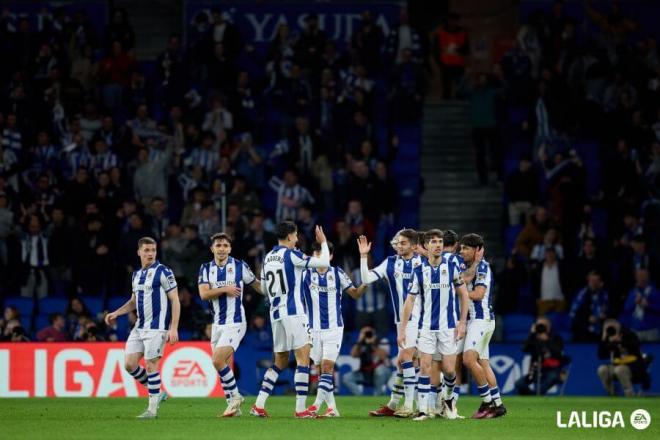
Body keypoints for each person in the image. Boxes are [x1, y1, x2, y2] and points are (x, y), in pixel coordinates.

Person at [250, 222, 329, 418]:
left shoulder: (268, 258)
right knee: (303, 359)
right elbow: (324, 263)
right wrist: (324, 243)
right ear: (289, 237)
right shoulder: (292, 255)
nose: (297, 238)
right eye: (295, 235)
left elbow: (265, 290)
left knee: (280, 361)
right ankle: (301, 409)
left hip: (275, 314)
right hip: (294, 313)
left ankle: (258, 404)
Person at [104, 237, 180, 419]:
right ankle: (158, 392)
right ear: (139, 252)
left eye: (153, 250)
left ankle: (152, 410)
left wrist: (174, 327)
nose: (150, 254)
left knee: (151, 364)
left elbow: (175, 299)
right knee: (129, 364)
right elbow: (133, 302)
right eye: (146, 250)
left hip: (157, 327)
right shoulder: (136, 275)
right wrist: (116, 313)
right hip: (139, 327)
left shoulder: (163, 271)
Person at [398, 229, 468, 421]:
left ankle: (448, 401)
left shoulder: (452, 266)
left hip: (448, 327)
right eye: (433, 242)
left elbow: (464, 295)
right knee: (425, 367)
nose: (437, 245)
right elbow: (409, 302)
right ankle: (422, 411)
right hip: (426, 327)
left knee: (450, 370)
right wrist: (403, 330)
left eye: (439, 241)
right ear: (426, 246)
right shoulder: (419, 271)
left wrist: (462, 323)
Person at [357, 229, 424, 417]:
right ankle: (396, 404)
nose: (399, 246)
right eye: (398, 242)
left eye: (403, 243)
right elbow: (366, 279)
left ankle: (410, 405)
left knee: (407, 359)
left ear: (413, 245)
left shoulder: (422, 262)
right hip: (400, 319)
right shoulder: (391, 263)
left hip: (420, 318)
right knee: (405, 362)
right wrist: (363, 257)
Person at [198, 232, 262, 417]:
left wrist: (273, 293)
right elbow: (203, 294)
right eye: (218, 245)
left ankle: (235, 397)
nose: (221, 249)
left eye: (225, 246)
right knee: (222, 364)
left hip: (235, 322)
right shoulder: (205, 268)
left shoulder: (239, 266)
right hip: (217, 323)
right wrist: (226, 289)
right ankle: (233, 408)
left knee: (217, 360)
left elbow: (256, 284)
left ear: (230, 248)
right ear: (212, 249)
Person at [303, 241, 366, 417]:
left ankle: (315, 405)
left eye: (322, 254)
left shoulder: (338, 273)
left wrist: (366, 283)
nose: (318, 257)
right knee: (320, 369)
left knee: (327, 366)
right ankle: (332, 409)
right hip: (313, 329)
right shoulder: (305, 274)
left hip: (334, 328)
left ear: (329, 256)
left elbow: (355, 294)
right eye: (315, 254)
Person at [459, 233, 507, 418]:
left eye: (466, 248)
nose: (462, 251)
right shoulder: (468, 266)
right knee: (484, 364)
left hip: (481, 320)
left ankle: (487, 403)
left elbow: (478, 294)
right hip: (478, 321)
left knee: (469, 360)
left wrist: (458, 292)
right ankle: (498, 404)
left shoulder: (483, 268)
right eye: (461, 247)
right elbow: (464, 280)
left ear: (477, 250)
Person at [514, 316, 565, 396]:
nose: (541, 327)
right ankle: (532, 396)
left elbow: (559, 352)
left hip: (553, 370)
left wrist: (546, 340)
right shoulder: (534, 338)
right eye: (538, 325)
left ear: (548, 326)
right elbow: (524, 348)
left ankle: (536, 395)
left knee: (552, 377)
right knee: (519, 384)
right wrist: (532, 333)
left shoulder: (556, 338)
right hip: (537, 371)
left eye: (543, 325)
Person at [597, 319, 647, 397]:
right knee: (602, 369)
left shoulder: (628, 334)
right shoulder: (609, 337)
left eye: (612, 323)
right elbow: (601, 355)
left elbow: (636, 345)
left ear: (618, 324)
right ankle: (611, 393)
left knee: (620, 369)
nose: (611, 326)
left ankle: (630, 394)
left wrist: (620, 341)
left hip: (634, 367)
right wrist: (604, 338)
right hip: (617, 366)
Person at [342, 327, 392, 396]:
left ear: (374, 332)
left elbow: (383, 356)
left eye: (369, 332)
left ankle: (378, 394)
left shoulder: (382, 340)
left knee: (379, 370)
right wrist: (360, 340)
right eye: (365, 333)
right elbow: (353, 354)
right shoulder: (361, 343)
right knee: (346, 377)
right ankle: (360, 397)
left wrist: (373, 344)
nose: (368, 334)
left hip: (383, 372)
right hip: (365, 373)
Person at [569, 270, 609, 342]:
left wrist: (602, 317)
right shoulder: (581, 294)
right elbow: (573, 314)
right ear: (588, 281)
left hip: (600, 331)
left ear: (600, 282)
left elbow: (609, 311)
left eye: (596, 281)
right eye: (592, 281)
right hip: (583, 330)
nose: (594, 283)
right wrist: (587, 318)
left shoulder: (605, 295)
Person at [622, 268, 660, 341]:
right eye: (639, 276)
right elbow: (626, 308)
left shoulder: (655, 292)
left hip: (651, 330)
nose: (641, 278)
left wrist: (648, 305)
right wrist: (634, 302)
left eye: (643, 275)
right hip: (635, 330)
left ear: (648, 277)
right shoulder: (632, 292)